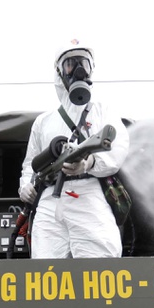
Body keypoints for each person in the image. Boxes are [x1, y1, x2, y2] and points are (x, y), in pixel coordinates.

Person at [18, 40, 130, 259]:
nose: (78, 71)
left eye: (84, 64)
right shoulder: (44, 122)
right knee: (45, 268)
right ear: (60, 72)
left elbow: (118, 150)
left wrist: (90, 163)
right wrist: (26, 186)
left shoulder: (102, 112)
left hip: (88, 194)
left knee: (100, 264)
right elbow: (30, 163)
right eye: (71, 64)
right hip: (50, 199)